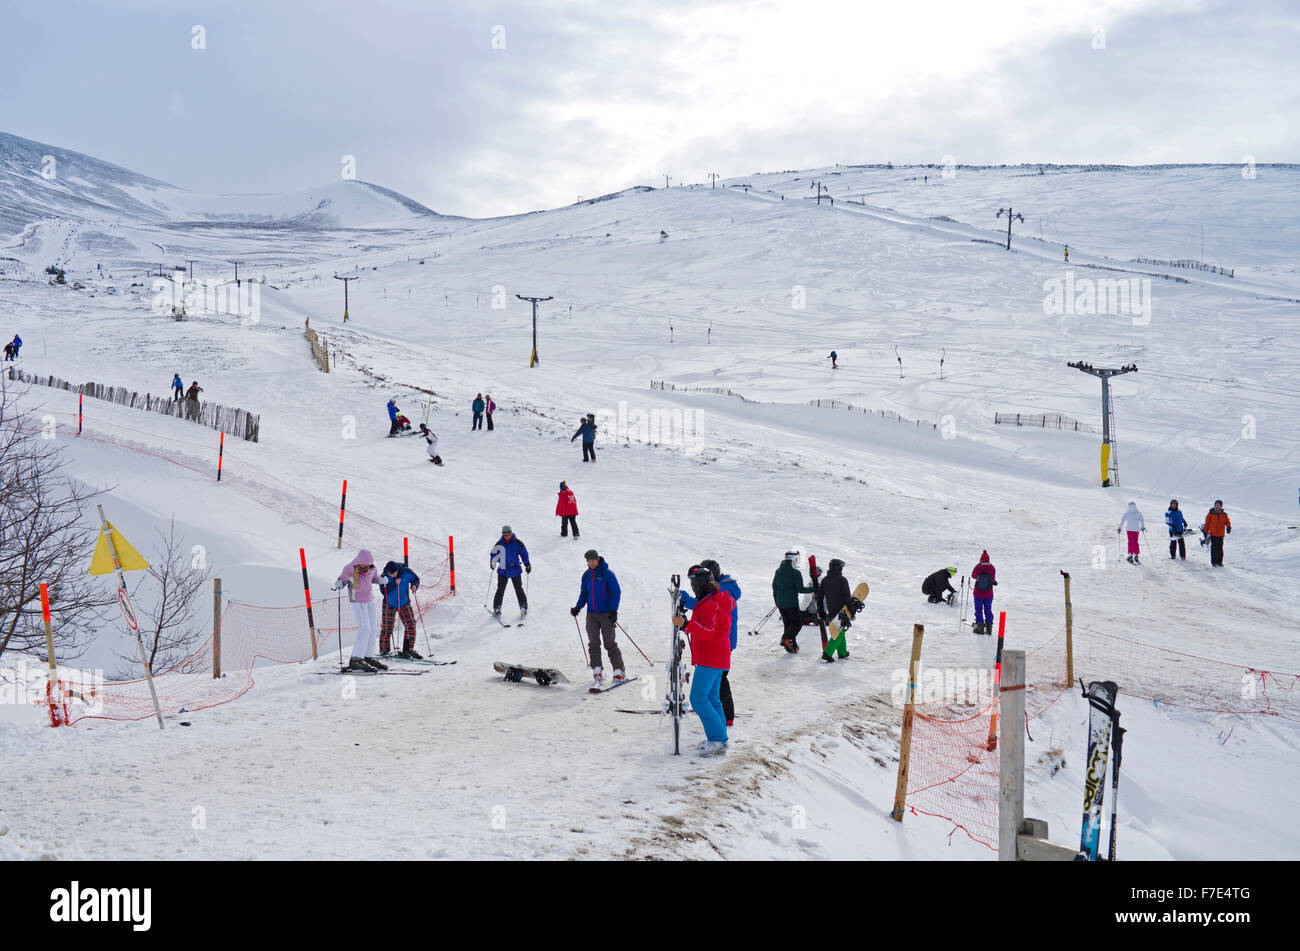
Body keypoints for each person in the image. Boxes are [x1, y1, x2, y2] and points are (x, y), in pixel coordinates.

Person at [673, 564, 735, 756]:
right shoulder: (712, 599)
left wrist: (687, 624)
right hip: (716, 656)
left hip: (712, 657)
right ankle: (721, 739)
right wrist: (688, 625)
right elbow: (706, 627)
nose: (692, 587)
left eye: (693, 583)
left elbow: (708, 631)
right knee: (711, 697)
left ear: (699, 584)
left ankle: (717, 739)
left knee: (698, 699)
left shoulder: (712, 603)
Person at [681, 558, 741, 723]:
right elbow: (701, 605)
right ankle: (723, 720)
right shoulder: (720, 591)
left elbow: (704, 609)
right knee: (717, 684)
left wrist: (688, 623)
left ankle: (726, 718)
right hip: (721, 640)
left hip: (719, 642)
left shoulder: (721, 591)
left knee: (718, 682)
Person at [570, 549, 623, 685]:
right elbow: (584, 594)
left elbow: (616, 592)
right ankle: (597, 668)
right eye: (588, 561)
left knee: (609, 643)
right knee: (593, 642)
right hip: (591, 614)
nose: (591, 563)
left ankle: (618, 670)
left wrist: (613, 610)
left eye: (593, 560)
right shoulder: (586, 576)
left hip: (606, 614)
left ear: (597, 560)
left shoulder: (607, 574)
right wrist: (578, 607)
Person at [335, 549, 386, 671]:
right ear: (359, 561)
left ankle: (368, 656)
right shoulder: (350, 569)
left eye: (368, 563)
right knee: (364, 628)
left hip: (369, 600)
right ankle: (356, 659)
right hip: (357, 601)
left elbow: (375, 578)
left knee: (373, 628)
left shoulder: (372, 569)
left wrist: (381, 581)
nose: (366, 565)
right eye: (364, 563)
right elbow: (342, 580)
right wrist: (339, 583)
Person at [378, 560, 422, 658]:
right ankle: (384, 649)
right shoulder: (384, 576)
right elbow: (383, 591)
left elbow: (416, 579)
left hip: (404, 602)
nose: (392, 575)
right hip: (389, 604)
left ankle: (408, 649)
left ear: (397, 570)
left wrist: (415, 585)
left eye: (393, 573)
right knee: (387, 627)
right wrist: (394, 583)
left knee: (411, 624)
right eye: (390, 573)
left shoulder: (406, 572)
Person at [772, 549, 813, 653]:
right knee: (797, 624)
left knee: (788, 625)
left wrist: (777, 600)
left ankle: (792, 647)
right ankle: (785, 639)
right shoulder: (795, 572)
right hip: (791, 603)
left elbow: (774, 587)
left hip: (780, 603)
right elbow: (801, 589)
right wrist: (813, 588)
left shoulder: (778, 571)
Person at [489, 525, 530, 618]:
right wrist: (493, 563)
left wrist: (527, 564)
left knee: (519, 589)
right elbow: (493, 554)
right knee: (500, 590)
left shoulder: (518, 543)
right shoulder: (499, 544)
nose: (506, 537)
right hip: (503, 569)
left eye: (508, 535)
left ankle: (523, 608)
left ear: (511, 533)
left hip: (515, 568)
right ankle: (497, 608)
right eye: (505, 535)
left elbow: (524, 554)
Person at [970, 551, 997, 635]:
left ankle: (980, 627)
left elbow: (973, 575)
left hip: (978, 593)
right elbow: (992, 578)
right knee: (988, 609)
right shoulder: (992, 567)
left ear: (981, 559)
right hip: (989, 593)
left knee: (978, 609)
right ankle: (989, 628)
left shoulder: (978, 566)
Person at [1202, 500, 1231, 567]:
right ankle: (1214, 562)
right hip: (1213, 533)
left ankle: (1219, 562)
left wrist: (1228, 526)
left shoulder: (1224, 514)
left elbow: (1227, 521)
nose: (1217, 506)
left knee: (1220, 549)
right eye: (1216, 505)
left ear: (1221, 506)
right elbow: (1207, 523)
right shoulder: (1210, 513)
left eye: (1218, 505)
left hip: (1221, 534)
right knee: (1214, 548)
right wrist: (1205, 531)